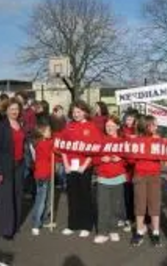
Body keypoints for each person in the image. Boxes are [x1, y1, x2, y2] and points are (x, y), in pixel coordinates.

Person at [61, 100, 101, 238]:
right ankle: (72, 224)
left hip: (85, 167)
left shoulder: (91, 127)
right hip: (70, 167)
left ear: (85, 112)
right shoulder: (69, 126)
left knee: (85, 196)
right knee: (72, 196)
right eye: (74, 112)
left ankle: (86, 225)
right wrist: (65, 164)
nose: (76, 114)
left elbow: (95, 148)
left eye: (79, 111)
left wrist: (85, 166)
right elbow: (63, 147)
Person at [0, 98, 25, 240]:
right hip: (5, 167)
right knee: (6, 199)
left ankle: (15, 225)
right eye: (12, 109)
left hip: (19, 165)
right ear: (6, 110)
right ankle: (6, 230)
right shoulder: (1, 125)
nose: (14, 112)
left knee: (17, 196)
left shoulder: (20, 124)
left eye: (17, 109)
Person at [93, 115, 126, 244]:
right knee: (103, 206)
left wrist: (121, 159)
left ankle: (113, 230)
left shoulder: (123, 142)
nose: (109, 128)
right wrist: (101, 159)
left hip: (118, 178)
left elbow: (130, 159)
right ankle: (102, 232)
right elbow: (94, 158)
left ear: (118, 126)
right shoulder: (101, 140)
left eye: (112, 126)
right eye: (107, 126)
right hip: (102, 178)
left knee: (116, 206)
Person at [131, 115, 162, 247]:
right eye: (154, 125)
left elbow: (163, 156)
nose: (156, 127)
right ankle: (139, 231)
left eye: (156, 125)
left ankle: (155, 232)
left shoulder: (158, 140)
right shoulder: (136, 140)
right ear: (147, 126)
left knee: (154, 204)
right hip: (139, 175)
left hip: (154, 175)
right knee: (140, 204)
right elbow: (131, 159)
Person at [31, 124, 53, 236]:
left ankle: (39, 219)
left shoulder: (44, 143)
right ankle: (36, 224)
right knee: (41, 200)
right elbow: (51, 154)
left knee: (44, 198)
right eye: (48, 131)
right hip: (42, 174)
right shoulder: (43, 144)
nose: (50, 132)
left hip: (45, 173)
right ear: (41, 133)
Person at [120, 109, 139, 231]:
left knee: (135, 195)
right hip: (124, 168)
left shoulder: (139, 132)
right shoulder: (121, 131)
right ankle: (126, 218)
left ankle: (134, 218)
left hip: (135, 168)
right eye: (127, 119)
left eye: (131, 119)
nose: (128, 121)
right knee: (125, 194)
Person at [50, 105, 67, 190]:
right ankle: (62, 183)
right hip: (56, 147)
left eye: (62, 111)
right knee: (59, 171)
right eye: (60, 111)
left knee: (63, 171)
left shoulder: (64, 120)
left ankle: (64, 184)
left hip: (63, 145)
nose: (62, 113)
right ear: (55, 112)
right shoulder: (52, 120)